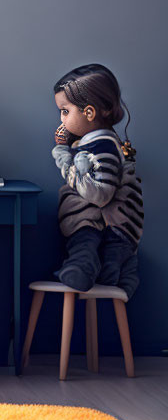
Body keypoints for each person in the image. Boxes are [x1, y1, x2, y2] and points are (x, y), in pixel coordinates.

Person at [52, 64, 141, 297]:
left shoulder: (101, 146)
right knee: (110, 257)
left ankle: (81, 269)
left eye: (65, 111)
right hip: (120, 228)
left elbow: (99, 195)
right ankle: (120, 272)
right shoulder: (101, 142)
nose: (61, 119)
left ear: (89, 113)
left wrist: (64, 159)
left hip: (102, 224)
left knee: (84, 245)